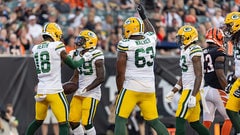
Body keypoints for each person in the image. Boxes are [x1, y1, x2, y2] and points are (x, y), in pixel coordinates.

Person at [25, 22, 91, 135]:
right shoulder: (57, 46)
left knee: (38, 121)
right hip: (54, 91)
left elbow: (54, 63)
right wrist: (83, 59)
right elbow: (73, 65)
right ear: (54, 34)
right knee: (63, 123)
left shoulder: (36, 48)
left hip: (41, 91)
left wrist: (66, 56)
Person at [115, 3, 169, 135]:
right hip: (149, 88)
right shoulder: (150, 39)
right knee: (154, 121)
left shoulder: (125, 44)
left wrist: (120, 91)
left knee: (120, 119)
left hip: (131, 87)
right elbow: (151, 31)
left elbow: (120, 73)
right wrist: (144, 16)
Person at [165, 25, 210, 135]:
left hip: (192, 90)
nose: (179, 40)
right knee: (194, 123)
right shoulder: (185, 50)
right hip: (189, 88)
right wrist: (173, 91)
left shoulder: (195, 50)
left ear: (188, 37)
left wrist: (194, 96)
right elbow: (184, 75)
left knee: (179, 118)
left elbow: (198, 75)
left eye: (181, 37)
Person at [68, 29, 105, 135]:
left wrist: (87, 88)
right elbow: (75, 76)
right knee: (73, 120)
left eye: (82, 40)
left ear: (89, 42)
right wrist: (66, 87)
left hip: (92, 93)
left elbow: (101, 77)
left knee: (86, 122)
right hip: (80, 91)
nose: (78, 42)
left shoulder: (96, 53)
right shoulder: (77, 54)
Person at [202, 27, 232, 134]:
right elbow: (219, 73)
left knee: (207, 120)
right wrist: (227, 89)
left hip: (205, 90)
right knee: (230, 117)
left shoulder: (203, 51)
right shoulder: (219, 51)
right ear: (218, 38)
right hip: (217, 89)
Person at [224, 11, 240, 134]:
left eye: (229, 25)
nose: (227, 28)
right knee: (231, 108)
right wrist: (233, 79)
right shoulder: (236, 40)